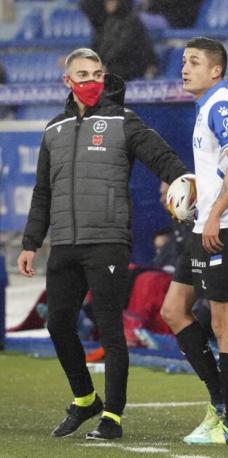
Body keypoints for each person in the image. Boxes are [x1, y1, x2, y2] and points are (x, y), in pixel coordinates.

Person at [16, 48, 189, 440]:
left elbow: (161, 156)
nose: (92, 81)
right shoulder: (53, 130)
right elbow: (42, 192)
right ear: (67, 80)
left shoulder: (123, 121)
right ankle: (84, 400)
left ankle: (112, 416)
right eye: (83, 75)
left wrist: (184, 180)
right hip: (64, 243)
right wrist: (30, 243)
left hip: (108, 241)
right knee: (57, 324)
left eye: (97, 74)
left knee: (110, 329)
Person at [159, 37, 228, 446]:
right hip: (207, 225)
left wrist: (215, 213)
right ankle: (219, 400)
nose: (185, 69)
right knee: (173, 310)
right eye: (184, 62)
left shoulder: (222, 105)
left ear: (215, 70)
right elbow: (221, 170)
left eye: (194, 62)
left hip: (227, 226)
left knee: (223, 322)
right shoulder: (206, 108)